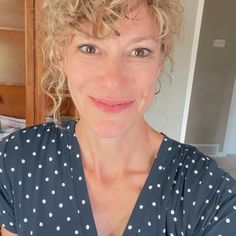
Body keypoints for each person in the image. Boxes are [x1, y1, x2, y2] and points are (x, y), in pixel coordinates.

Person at [1, 0, 236, 235]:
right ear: (61, 54)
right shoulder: (15, 160)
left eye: (139, 51)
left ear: (160, 59)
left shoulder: (210, 195)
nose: (113, 80)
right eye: (89, 48)